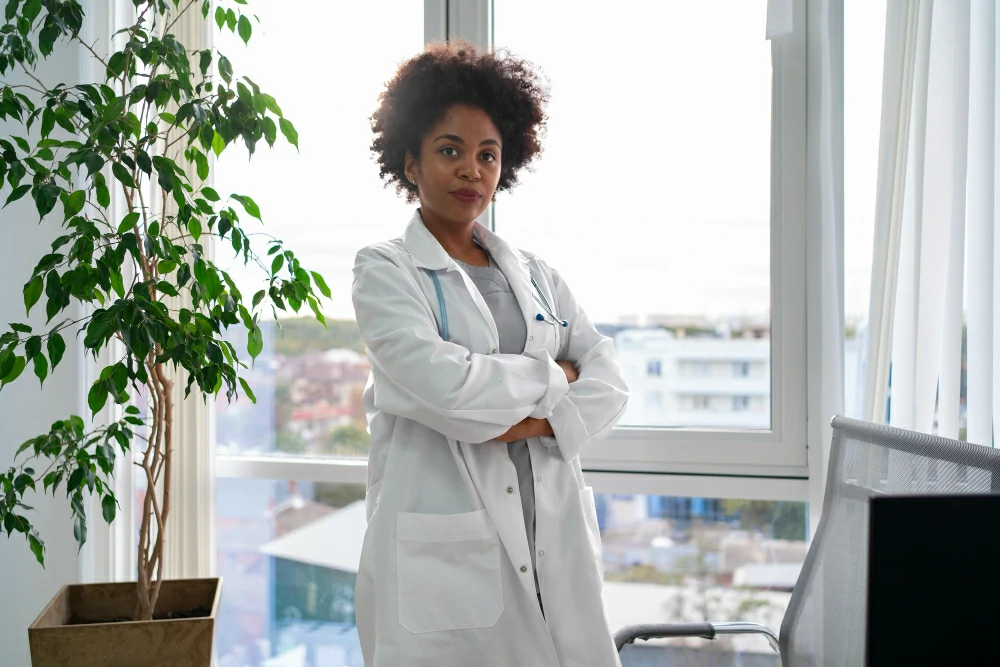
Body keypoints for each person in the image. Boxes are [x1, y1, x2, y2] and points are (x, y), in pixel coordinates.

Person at [352, 41, 630, 667]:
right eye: (449, 151)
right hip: (446, 546)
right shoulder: (386, 271)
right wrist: (555, 379)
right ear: (411, 163)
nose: (470, 170)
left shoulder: (537, 274)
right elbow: (446, 389)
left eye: (487, 155)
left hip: (552, 530)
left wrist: (531, 421)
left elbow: (609, 380)